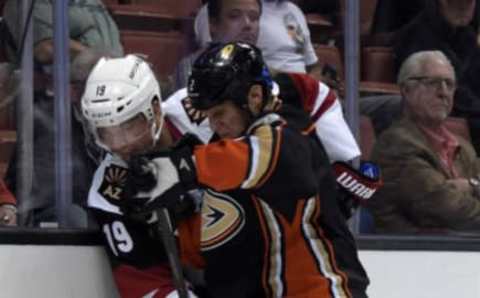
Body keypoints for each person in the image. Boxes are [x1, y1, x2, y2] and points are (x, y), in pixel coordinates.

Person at [123, 42, 369, 297]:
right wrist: (170, 221)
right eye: (208, 115)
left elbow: (269, 159)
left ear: (253, 97)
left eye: (220, 112)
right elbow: (211, 246)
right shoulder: (225, 158)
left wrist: (181, 169)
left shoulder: (287, 130)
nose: (214, 123)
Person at [81, 54, 202, 297]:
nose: (120, 145)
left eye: (128, 127)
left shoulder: (203, 111)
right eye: (107, 133)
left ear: (155, 110)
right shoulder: (109, 191)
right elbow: (147, 284)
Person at [2, 0, 123, 226]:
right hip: (53, 111)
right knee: (71, 214)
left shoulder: (93, 3)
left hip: (102, 111)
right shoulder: (30, 3)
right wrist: (104, 62)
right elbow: (45, 48)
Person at [368, 50, 480, 233]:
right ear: (406, 89)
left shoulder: (462, 146)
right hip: (412, 255)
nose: (444, 92)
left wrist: (472, 186)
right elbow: (448, 210)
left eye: (449, 84)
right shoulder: (396, 145)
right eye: (433, 83)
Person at [393, 0, 480, 153]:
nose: (465, 9)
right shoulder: (416, 35)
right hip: (446, 112)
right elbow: (440, 90)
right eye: (460, 4)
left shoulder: (468, 36)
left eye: (470, 3)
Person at [193, 0, 321, 79]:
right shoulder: (224, 5)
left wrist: (313, 90)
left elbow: (312, 65)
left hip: (302, 92)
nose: (248, 23)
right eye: (235, 16)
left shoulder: (294, 11)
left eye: (254, 17)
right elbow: (213, 57)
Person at [175, 0, 262, 90]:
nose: (247, 25)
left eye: (254, 17)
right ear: (212, 25)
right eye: (234, 16)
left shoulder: (261, 67)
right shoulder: (193, 66)